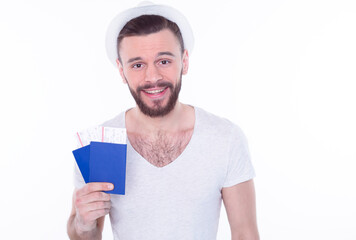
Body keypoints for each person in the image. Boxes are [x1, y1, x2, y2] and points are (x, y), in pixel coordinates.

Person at [67, 2, 259, 240]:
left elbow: (245, 233)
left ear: (184, 61)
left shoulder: (225, 138)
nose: (153, 77)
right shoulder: (100, 144)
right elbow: (85, 235)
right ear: (121, 70)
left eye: (164, 61)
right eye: (138, 65)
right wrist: (83, 225)